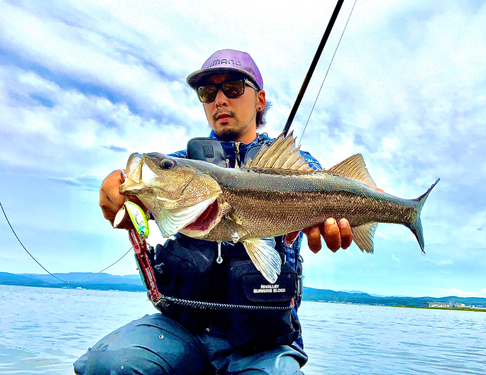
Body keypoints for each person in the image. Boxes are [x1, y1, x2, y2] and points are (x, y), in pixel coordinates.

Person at [75, 49, 353, 375]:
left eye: (233, 88)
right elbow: (136, 203)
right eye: (207, 92)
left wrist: (361, 200)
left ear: (260, 100)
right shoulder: (181, 165)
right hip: (181, 330)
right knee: (108, 365)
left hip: (263, 341)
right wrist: (116, 193)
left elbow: (333, 187)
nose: (219, 99)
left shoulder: (299, 169)